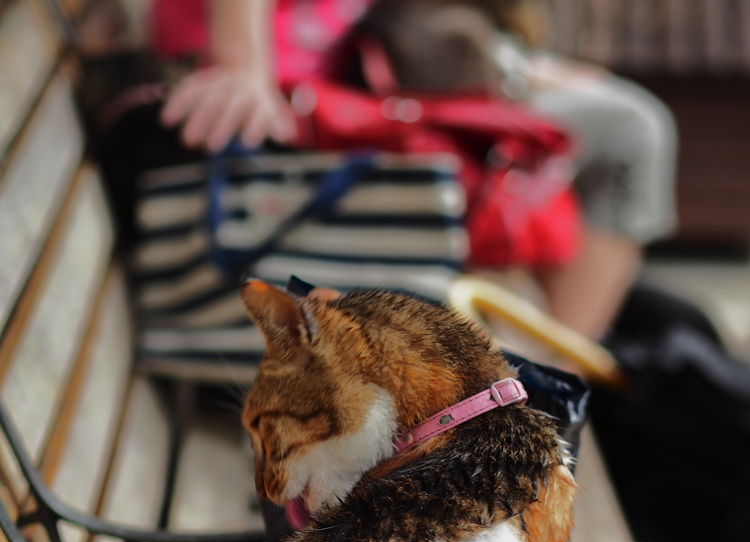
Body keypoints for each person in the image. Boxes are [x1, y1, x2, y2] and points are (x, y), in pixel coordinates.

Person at [149, 0, 677, 340]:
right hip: (304, 117)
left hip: (364, 96)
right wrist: (241, 63)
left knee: (621, 122)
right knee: (629, 130)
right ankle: (552, 386)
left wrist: (517, 67)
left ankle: (552, 383)